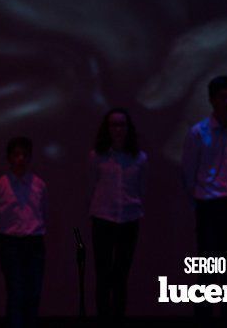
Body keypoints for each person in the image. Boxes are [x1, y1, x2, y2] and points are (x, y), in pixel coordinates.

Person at [181, 75, 227, 319]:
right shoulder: (197, 133)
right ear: (212, 99)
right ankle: (205, 315)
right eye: (223, 97)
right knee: (208, 265)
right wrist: (197, 201)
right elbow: (189, 171)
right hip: (209, 203)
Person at [88, 108, 146, 320]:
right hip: (103, 218)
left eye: (122, 125)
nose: (118, 129)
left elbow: (141, 188)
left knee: (121, 275)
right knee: (103, 274)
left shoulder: (139, 158)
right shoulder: (97, 157)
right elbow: (91, 185)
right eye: (114, 124)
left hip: (129, 219)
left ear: (128, 128)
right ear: (107, 128)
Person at [0, 136, 48, 328]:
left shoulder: (39, 185)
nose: (20, 159)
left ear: (29, 157)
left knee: (33, 291)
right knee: (15, 291)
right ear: (9, 158)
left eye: (24, 155)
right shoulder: (0, 186)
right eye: (16, 155)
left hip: (34, 242)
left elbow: (43, 213)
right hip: (10, 243)